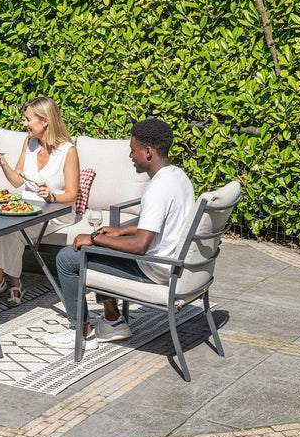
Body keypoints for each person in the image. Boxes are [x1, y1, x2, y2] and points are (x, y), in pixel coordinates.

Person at [45, 118, 194, 350]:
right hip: (170, 265)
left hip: (154, 270)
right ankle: (112, 321)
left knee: (67, 258)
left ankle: (81, 334)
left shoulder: (156, 189)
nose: (130, 156)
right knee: (103, 244)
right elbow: (160, 224)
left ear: (148, 152)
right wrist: (119, 231)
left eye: (133, 150)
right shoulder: (178, 177)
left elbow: (140, 246)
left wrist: (94, 238)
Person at [0, 97, 80, 306]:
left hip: (56, 211)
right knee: (4, 225)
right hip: (27, 208)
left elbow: (72, 195)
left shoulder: (68, 151)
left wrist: (51, 197)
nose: (24, 123)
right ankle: (14, 283)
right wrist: (3, 164)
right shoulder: (29, 143)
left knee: (13, 231)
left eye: (28, 119)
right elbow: (18, 181)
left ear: (45, 121)